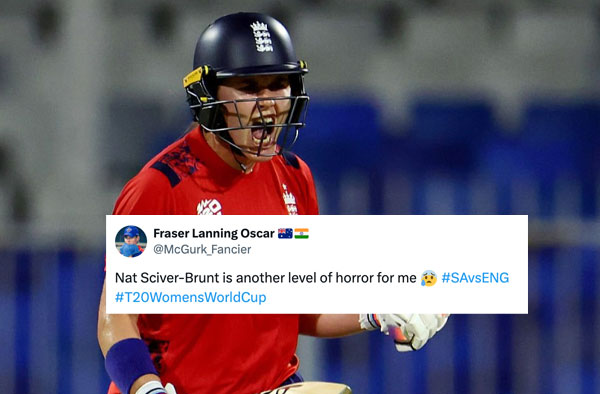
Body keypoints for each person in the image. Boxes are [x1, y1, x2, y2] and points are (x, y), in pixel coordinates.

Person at [97, 12, 448, 394]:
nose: (267, 105)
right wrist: (146, 389)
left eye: (278, 85)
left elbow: (301, 304)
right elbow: (115, 320)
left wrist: (375, 311)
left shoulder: (295, 176)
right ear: (209, 96)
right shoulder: (159, 187)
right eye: (248, 87)